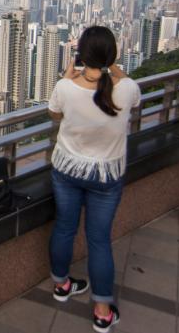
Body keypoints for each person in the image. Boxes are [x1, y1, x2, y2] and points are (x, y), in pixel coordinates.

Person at [47, 26, 141, 333]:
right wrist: (111, 67)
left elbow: (55, 116)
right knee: (99, 240)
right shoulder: (125, 89)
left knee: (64, 227)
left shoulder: (66, 87)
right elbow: (130, 92)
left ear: (80, 55)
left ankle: (61, 285)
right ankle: (102, 311)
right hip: (106, 176)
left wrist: (68, 78)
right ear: (112, 56)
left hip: (68, 170)